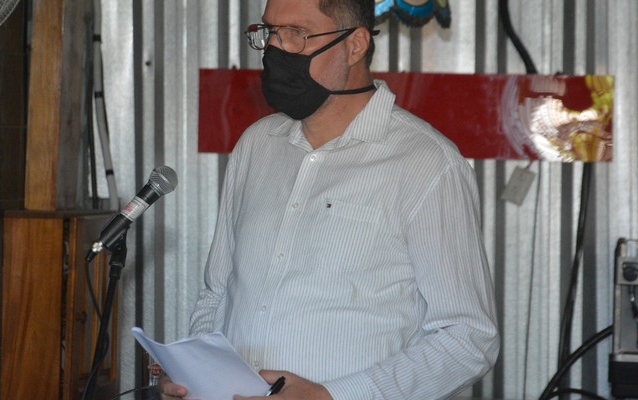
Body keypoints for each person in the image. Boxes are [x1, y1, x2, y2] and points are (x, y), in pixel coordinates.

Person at [161, 0, 499, 398]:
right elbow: (217, 293)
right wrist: (198, 379)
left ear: (355, 45)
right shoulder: (256, 145)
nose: (275, 49)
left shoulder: (426, 163)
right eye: (269, 32)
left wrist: (333, 396)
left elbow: (467, 338)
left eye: (297, 35)